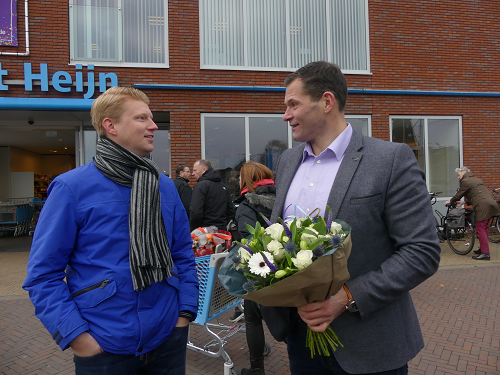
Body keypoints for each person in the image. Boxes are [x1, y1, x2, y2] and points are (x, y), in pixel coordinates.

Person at [269, 61, 441, 375]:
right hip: (301, 338)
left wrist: (345, 298)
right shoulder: (287, 160)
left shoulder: (389, 159)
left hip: (370, 344)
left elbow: (422, 251)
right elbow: (277, 237)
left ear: (326, 102)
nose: (286, 115)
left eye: (293, 104)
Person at [23, 87, 199, 375]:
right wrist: (78, 338)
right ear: (111, 126)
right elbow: (43, 275)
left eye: (151, 118)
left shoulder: (164, 186)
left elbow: (182, 254)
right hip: (104, 346)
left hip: (168, 338)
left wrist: (184, 315)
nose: (153, 126)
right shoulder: (71, 188)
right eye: (142, 118)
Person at [234, 161, 276, 375]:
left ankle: (256, 368)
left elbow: (248, 239)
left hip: (257, 269)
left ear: (246, 180)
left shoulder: (247, 205)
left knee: (252, 318)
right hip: (286, 266)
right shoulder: (281, 196)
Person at [445, 166, 500, 261]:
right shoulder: (475, 180)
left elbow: (459, 194)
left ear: (463, 173)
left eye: (459, 175)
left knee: (480, 229)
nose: (458, 177)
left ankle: (485, 253)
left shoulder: (466, 181)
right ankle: (483, 249)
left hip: (483, 206)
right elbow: (476, 195)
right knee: (484, 228)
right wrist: (463, 202)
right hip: (490, 204)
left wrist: (450, 201)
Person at [190, 159, 236, 231]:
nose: (192, 173)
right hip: (221, 233)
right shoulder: (222, 186)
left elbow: (196, 212)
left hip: (204, 235)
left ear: (204, 169)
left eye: (195, 170)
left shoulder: (200, 186)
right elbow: (231, 210)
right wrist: (222, 224)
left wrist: (194, 229)